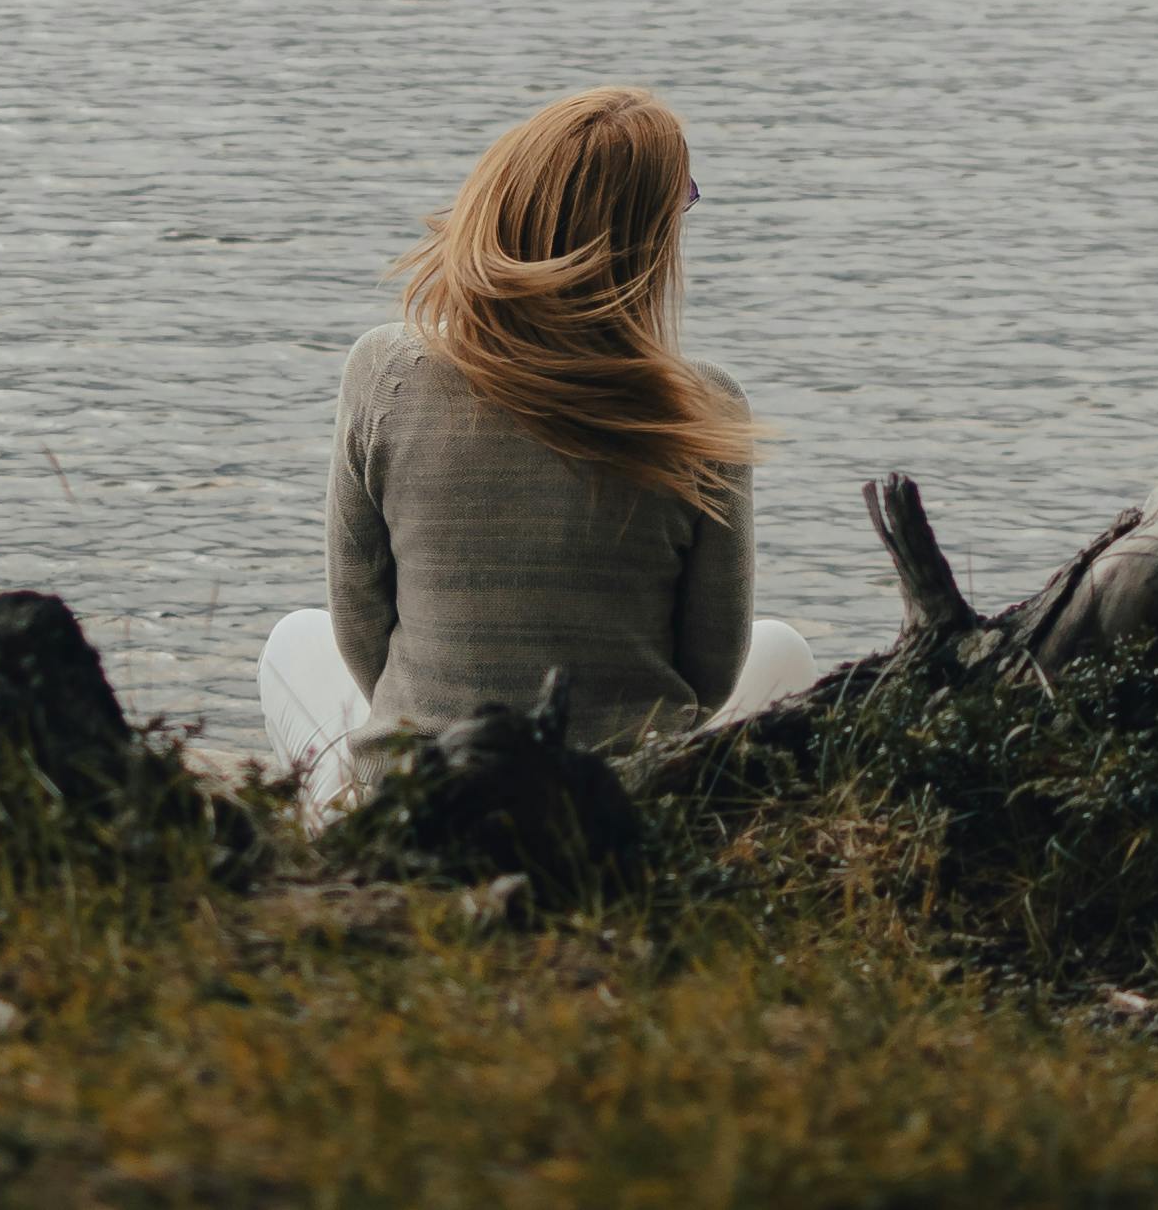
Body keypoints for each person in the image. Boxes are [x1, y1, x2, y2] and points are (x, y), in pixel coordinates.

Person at [260, 84, 819, 808]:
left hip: (416, 804)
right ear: (646, 239)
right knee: (784, 649)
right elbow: (708, 671)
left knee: (292, 639)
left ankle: (340, 824)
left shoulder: (385, 371)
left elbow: (361, 626)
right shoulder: (700, 408)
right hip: (624, 809)